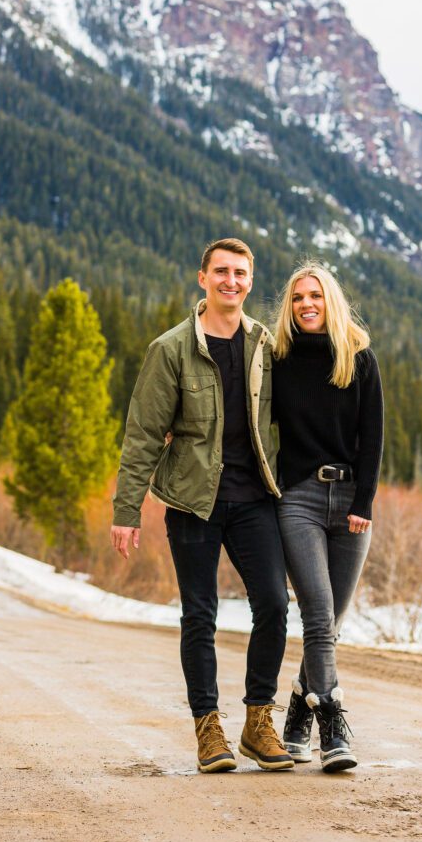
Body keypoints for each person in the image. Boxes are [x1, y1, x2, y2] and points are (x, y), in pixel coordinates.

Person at [110, 238, 294, 773]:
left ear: (250, 282)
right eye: (221, 272)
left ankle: (259, 721)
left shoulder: (265, 345)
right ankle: (208, 728)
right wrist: (127, 510)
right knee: (200, 614)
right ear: (202, 278)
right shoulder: (170, 349)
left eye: (239, 273)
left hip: (255, 498)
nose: (230, 281)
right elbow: (143, 434)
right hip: (192, 502)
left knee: (274, 607)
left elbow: (298, 413)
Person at [272, 263, 383, 772]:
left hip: (351, 503)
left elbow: (373, 437)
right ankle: (333, 723)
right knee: (318, 616)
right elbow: (242, 417)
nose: (306, 304)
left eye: (315, 295)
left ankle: (299, 705)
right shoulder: (279, 361)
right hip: (299, 500)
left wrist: (364, 504)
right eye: (297, 298)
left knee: (330, 624)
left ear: (330, 300)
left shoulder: (359, 358)